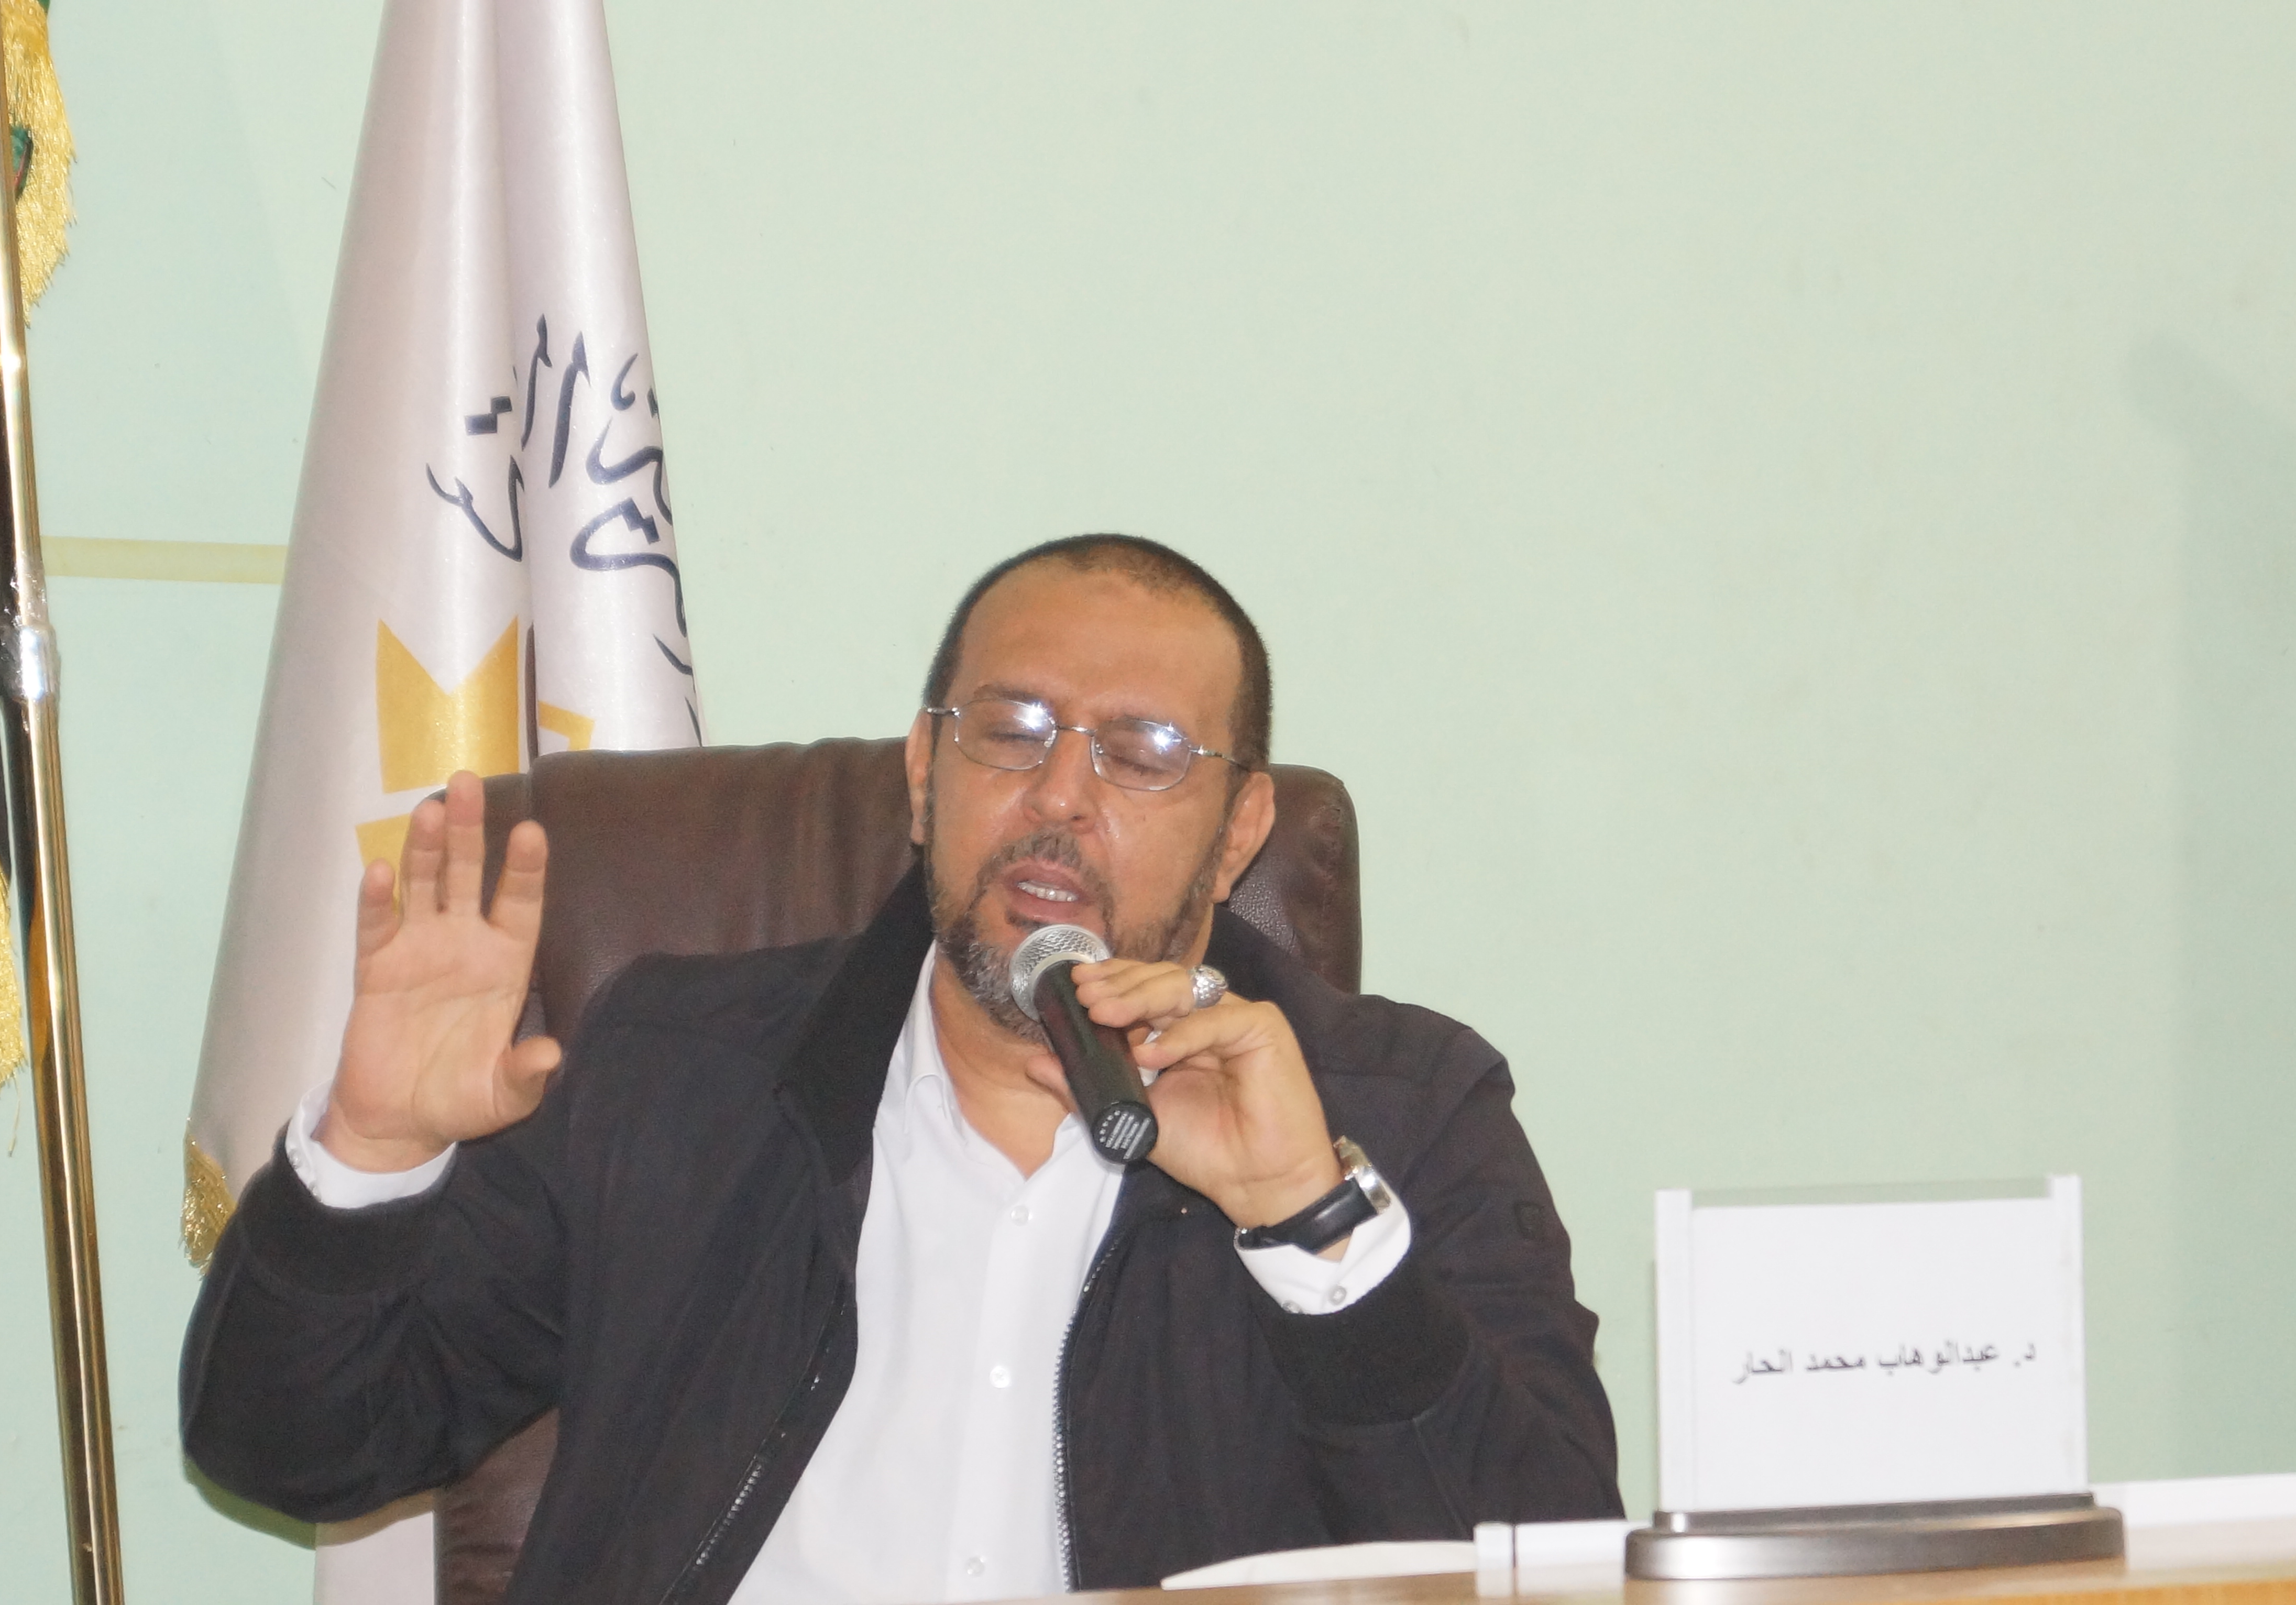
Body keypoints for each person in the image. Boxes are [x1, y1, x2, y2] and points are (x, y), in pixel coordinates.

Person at [182, 535, 1620, 1605]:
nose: (1060, 796)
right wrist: (370, 1152)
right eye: (1012, 731)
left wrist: (1313, 1224)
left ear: (1239, 832)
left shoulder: (1399, 1111)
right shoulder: (677, 1074)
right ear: (925, 778)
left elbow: (1543, 1570)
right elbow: (291, 1448)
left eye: (1143, 754)